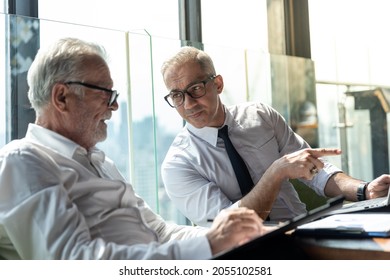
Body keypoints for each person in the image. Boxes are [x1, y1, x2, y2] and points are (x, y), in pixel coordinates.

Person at [0, 38, 268, 260]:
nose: (114, 106)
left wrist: (244, 234)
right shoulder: (24, 160)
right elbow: (75, 261)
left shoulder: (101, 164)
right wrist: (210, 244)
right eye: (105, 93)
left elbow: (161, 233)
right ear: (61, 97)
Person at [160, 46, 390, 227]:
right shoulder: (178, 164)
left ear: (217, 84)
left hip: (304, 231)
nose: (188, 103)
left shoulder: (260, 115)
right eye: (177, 95)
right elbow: (232, 225)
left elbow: (316, 172)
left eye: (196, 89)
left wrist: (364, 190)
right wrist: (276, 172)